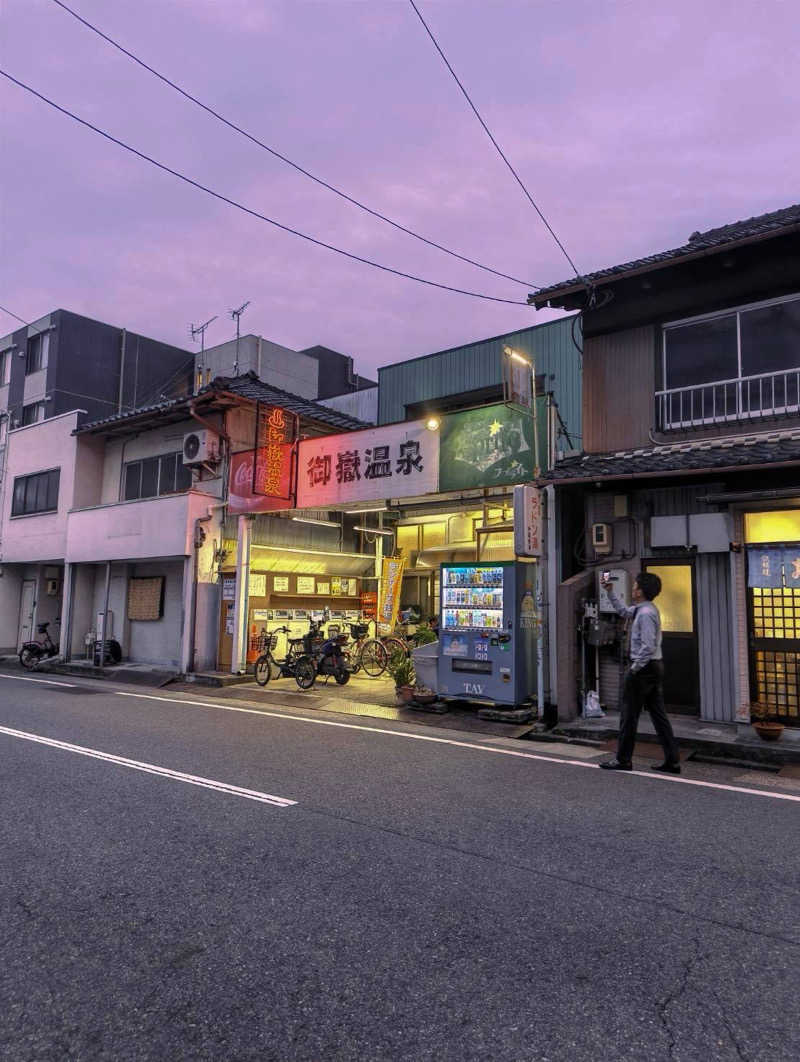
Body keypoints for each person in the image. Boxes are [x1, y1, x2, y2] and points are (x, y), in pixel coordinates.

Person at [599, 571, 681, 775]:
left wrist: (633, 670)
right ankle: (672, 761)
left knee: (629, 715)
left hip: (643, 669)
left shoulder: (645, 614)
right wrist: (610, 592)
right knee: (658, 715)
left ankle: (623, 759)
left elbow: (648, 646)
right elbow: (624, 612)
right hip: (653, 667)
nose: (633, 589)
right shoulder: (643, 609)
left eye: (635, 586)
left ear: (641, 591)